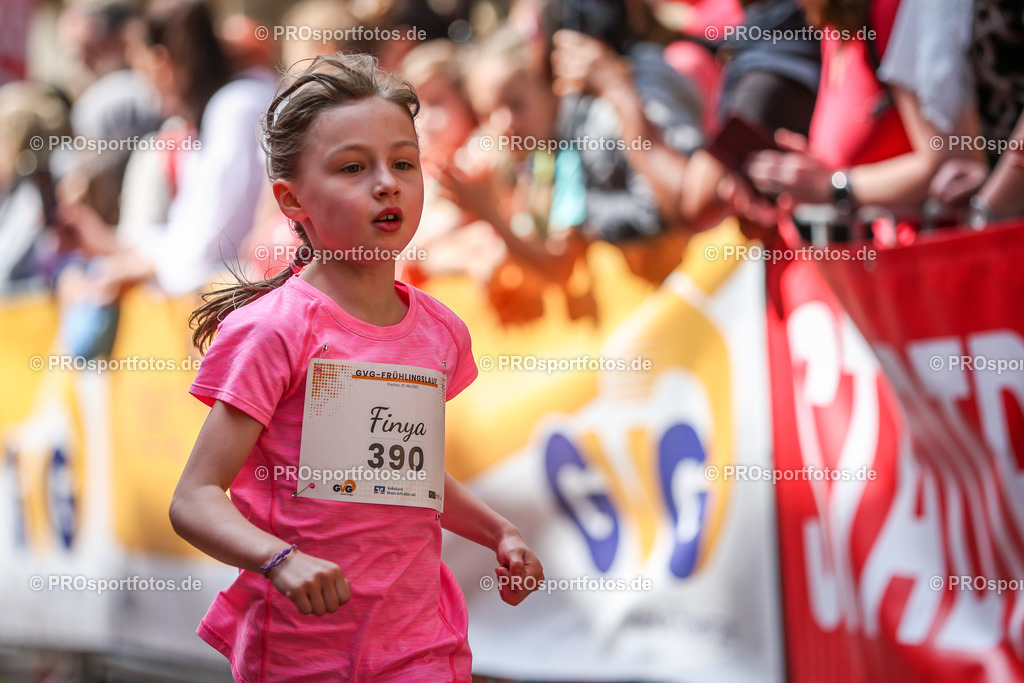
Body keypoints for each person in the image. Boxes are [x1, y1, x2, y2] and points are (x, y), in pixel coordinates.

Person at [169, 53, 543, 681]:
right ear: (293, 201)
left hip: (421, 642)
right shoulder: (275, 329)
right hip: (301, 651)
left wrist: (498, 530)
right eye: (352, 167)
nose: (386, 183)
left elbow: (401, 477)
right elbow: (195, 498)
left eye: (403, 163)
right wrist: (278, 560)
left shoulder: (440, 330)